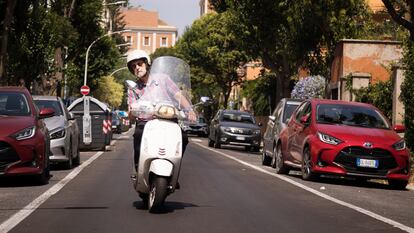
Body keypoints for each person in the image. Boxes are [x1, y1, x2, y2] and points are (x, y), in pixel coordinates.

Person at [126, 49, 195, 174]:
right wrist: (131, 111)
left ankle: (174, 167)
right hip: (145, 122)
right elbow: (130, 113)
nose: (137, 68)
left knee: (183, 137)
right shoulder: (133, 88)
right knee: (138, 136)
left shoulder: (163, 78)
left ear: (147, 64)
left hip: (167, 119)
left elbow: (178, 95)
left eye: (140, 64)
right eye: (133, 66)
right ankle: (139, 169)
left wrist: (190, 110)